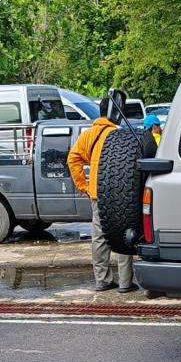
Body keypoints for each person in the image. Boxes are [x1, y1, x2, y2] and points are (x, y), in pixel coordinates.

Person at [67, 98, 135, 294]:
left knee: (99, 238)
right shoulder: (119, 134)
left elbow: (73, 158)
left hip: (98, 194)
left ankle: (103, 281)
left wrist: (84, 186)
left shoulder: (89, 135)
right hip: (121, 195)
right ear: (115, 113)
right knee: (124, 235)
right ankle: (125, 283)